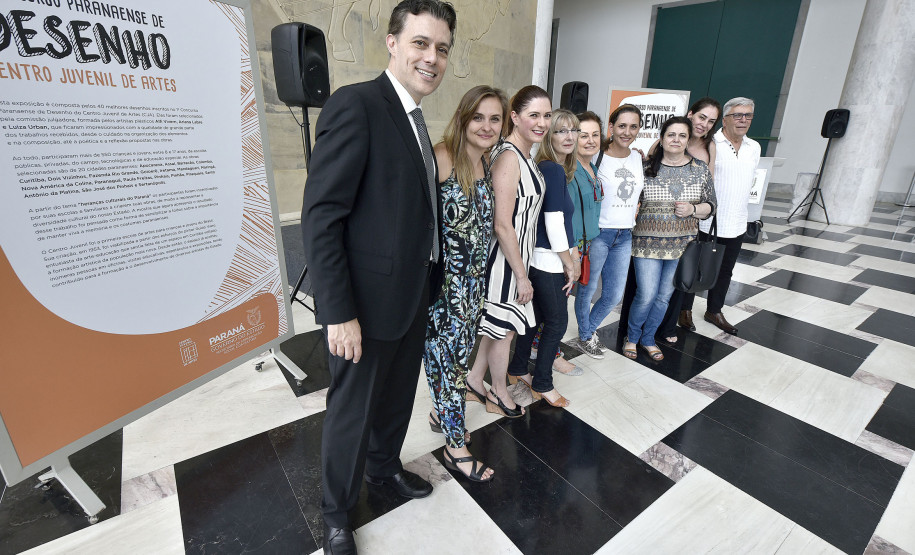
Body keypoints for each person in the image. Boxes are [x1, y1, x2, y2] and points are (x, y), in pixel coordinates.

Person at [300, 2, 456, 553]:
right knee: (352, 411)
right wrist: (338, 311)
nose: (431, 57)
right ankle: (337, 512)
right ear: (392, 43)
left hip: (411, 295)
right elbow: (322, 217)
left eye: (441, 47)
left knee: (396, 399)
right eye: (420, 43)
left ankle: (383, 471)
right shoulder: (357, 104)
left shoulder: (415, 116)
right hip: (361, 306)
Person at [424, 85, 508, 483]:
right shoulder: (442, 158)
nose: (487, 126)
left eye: (495, 119)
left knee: (450, 361)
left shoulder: (487, 163)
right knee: (451, 366)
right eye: (479, 117)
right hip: (442, 287)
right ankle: (455, 447)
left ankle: (441, 413)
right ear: (463, 117)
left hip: (473, 286)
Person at [466, 85, 550, 418]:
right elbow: (502, 224)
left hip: (516, 258)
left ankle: (474, 380)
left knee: (498, 328)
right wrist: (520, 275)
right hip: (504, 261)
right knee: (504, 332)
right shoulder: (509, 157)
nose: (541, 122)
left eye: (546, 115)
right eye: (533, 115)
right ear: (514, 117)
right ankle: (498, 393)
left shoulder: (525, 155)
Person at [622, 116, 716, 361]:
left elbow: (712, 206)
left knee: (664, 296)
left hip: (681, 246)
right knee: (646, 294)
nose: (676, 140)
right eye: (671, 135)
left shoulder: (699, 169)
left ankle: (648, 339)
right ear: (661, 139)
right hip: (645, 243)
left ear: (688, 140)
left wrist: (694, 210)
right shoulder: (644, 168)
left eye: (682, 135)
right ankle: (631, 337)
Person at [506, 109, 581, 408]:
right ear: (549, 135)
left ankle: (517, 369)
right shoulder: (551, 169)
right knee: (557, 323)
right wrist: (569, 261)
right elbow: (553, 221)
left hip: (543, 258)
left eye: (573, 130)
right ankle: (543, 383)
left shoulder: (553, 168)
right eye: (561, 131)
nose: (570, 137)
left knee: (535, 321)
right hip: (547, 259)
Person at [569, 106, 644, 359]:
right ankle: (586, 335)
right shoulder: (596, 156)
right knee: (588, 290)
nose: (627, 132)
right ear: (611, 128)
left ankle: (587, 331)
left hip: (625, 235)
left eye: (633, 126)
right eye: (622, 126)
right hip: (599, 234)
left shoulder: (637, 157)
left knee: (613, 295)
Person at [654, 97, 722, 340]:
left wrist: (694, 208)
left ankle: (670, 325)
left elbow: (708, 187)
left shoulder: (708, 146)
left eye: (711, 121)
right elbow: (649, 169)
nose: (704, 124)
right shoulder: (666, 138)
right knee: (651, 285)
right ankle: (644, 330)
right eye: (702, 117)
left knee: (678, 278)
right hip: (657, 226)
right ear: (691, 114)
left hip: (689, 222)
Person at [697, 97, 761, 335]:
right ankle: (683, 310)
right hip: (708, 222)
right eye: (737, 115)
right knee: (696, 268)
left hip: (737, 222)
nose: (743, 120)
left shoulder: (754, 147)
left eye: (748, 115)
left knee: (725, 271)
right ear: (724, 119)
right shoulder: (711, 143)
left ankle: (714, 310)